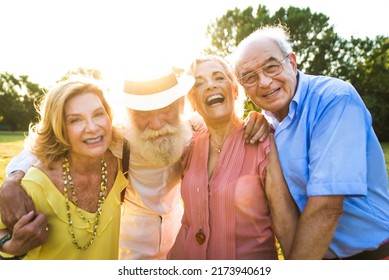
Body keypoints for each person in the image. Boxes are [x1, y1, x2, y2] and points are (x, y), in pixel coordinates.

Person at [0, 67, 269, 260]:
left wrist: (257, 120)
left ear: (179, 104)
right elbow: (44, 146)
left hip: (179, 248)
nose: (157, 124)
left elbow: (226, 126)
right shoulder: (117, 137)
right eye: (143, 114)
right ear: (129, 114)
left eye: (165, 109)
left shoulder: (193, 129)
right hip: (127, 252)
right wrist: (13, 179)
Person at [231, 25, 389, 260]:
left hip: (373, 255)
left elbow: (327, 206)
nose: (264, 82)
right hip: (320, 256)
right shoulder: (266, 124)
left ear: (292, 63)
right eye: (250, 77)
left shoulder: (334, 99)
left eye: (271, 66)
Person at [167, 55, 298, 260]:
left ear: (235, 90)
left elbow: (286, 224)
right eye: (199, 84)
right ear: (193, 101)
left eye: (218, 78)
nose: (210, 86)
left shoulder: (263, 143)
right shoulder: (188, 146)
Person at [0, 76, 128, 259]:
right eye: (75, 120)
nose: (92, 127)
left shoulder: (119, 162)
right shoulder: (34, 186)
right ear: (59, 128)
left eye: (99, 114)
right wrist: (10, 246)